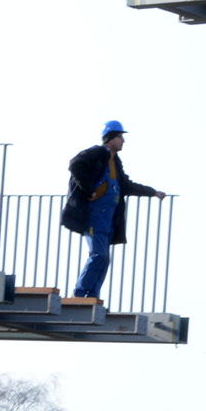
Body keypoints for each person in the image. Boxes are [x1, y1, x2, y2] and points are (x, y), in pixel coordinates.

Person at [61, 119, 166, 300]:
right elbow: (75, 164)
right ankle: (79, 294)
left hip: (107, 221)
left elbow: (125, 185)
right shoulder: (97, 153)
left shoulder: (115, 163)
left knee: (104, 259)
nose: (123, 141)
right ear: (109, 139)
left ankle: (92, 296)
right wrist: (89, 189)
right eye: (119, 137)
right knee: (98, 255)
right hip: (93, 216)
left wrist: (152, 192)